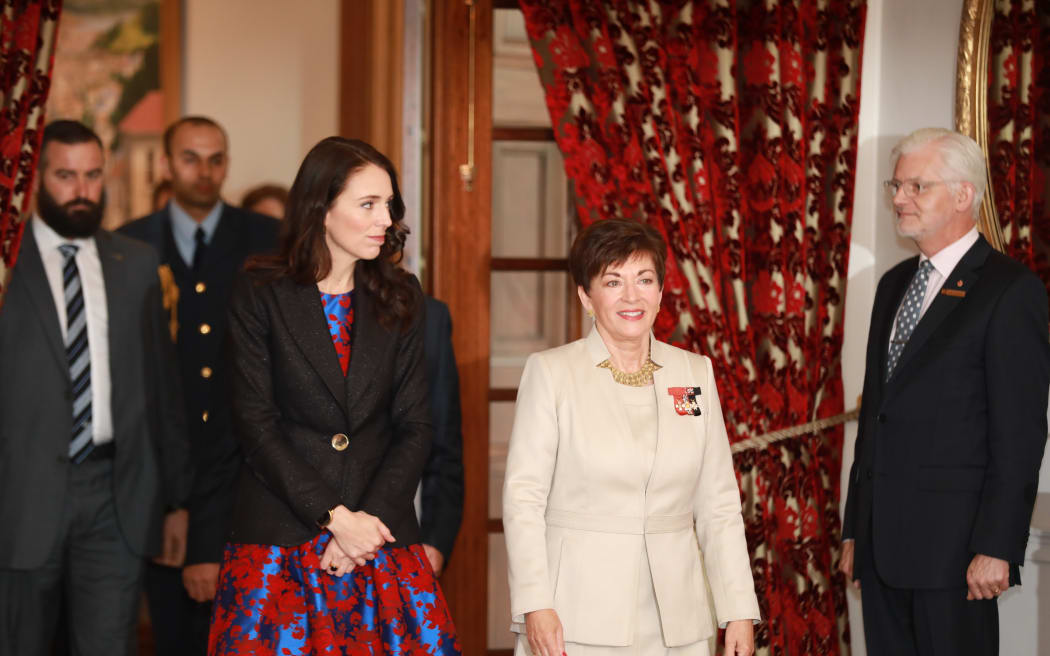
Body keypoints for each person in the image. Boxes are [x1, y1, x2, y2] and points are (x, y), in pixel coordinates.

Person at [208, 137, 461, 654]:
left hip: (378, 534)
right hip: (281, 536)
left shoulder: (401, 294)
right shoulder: (259, 291)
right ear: (321, 209)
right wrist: (335, 519)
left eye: (388, 204)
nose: (384, 219)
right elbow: (255, 426)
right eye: (367, 204)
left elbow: (416, 427)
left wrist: (363, 527)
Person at [503, 219, 760, 656]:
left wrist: (737, 608)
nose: (631, 296)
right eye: (613, 281)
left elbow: (718, 503)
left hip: (679, 619)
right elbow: (523, 499)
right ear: (586, 295)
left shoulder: (693, 374)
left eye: (644, 280)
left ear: (660, 291)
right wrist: (534, 604)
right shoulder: (552, 373)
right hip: (577, 615)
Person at [839, 128, 1050, 655]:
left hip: (956, 556)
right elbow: (876, 420)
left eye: (916, 185)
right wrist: (854, 528)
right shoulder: (892, 284)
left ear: (963, 195)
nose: (897, 198)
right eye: (896, 184)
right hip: (882, 549)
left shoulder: (1009, 290)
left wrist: (998, 546)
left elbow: (1019, 433)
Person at [0, 120, 192, 655]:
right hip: (21, 496)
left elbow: (162, 388)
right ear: (37, 178)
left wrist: (177, 500)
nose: (81, 191)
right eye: (65, 176)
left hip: (117, 493)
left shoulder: (135, 264)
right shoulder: (8, 266)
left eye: (91, 175)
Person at [120, 115, 280, 656]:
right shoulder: (127, 245)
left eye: (216, 159)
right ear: (167, 165)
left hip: (244, 475)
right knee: (169, 633)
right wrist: (169, 498)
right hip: (155, 473)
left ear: (227, 165)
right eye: (191, 158)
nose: (204, 171)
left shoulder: (265, 238)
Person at [419, 295, 465, 576]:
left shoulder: (427, 316)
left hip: (401, 541)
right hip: (298, 536)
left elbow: (445, 439)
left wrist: (436, 539)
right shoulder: (272, 301)